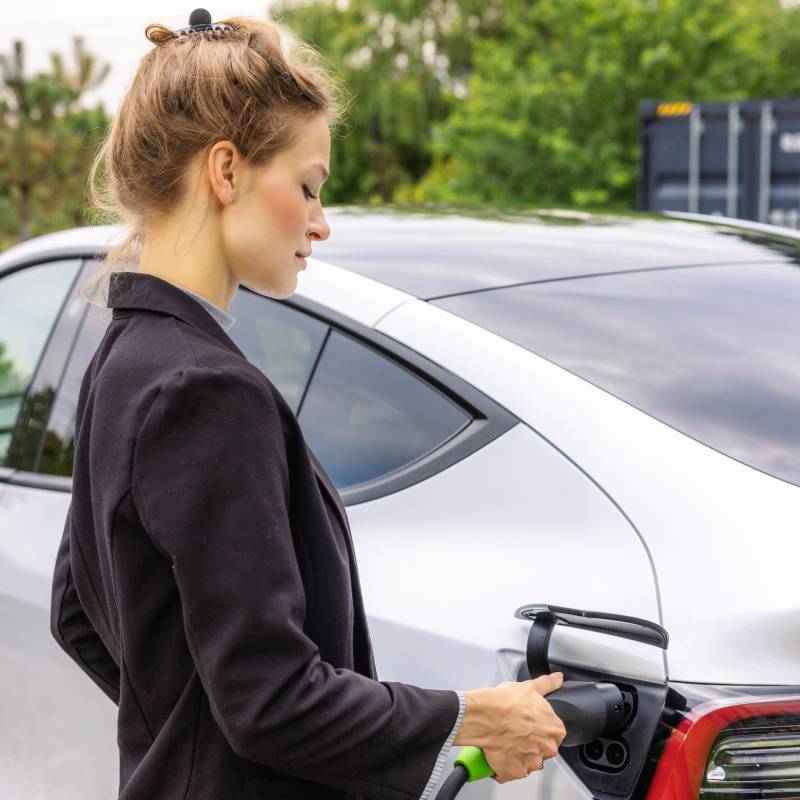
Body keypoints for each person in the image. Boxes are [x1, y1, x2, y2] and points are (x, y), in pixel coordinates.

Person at [48, 10, 567, 800]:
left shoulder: (122, 356)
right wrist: (472, 718)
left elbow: (78, 615)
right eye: (309, 186)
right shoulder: (208, 392)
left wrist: (189, 743)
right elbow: (271, 701)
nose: (321, 224)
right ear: (225, 172)